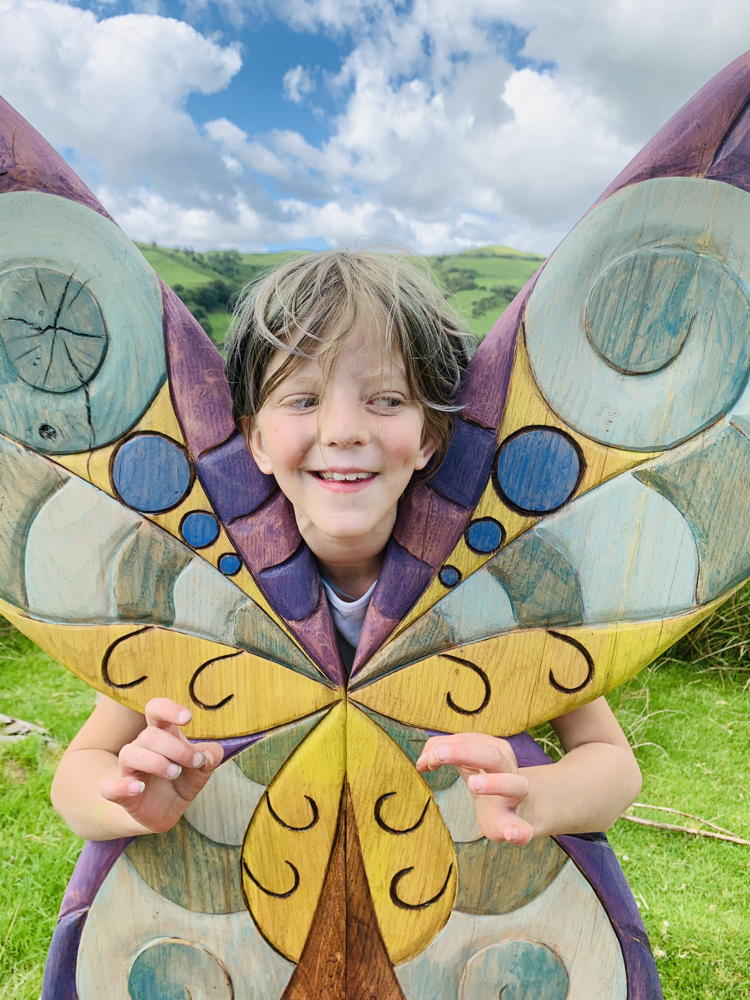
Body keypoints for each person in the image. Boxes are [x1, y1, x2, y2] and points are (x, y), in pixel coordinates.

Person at [51, 248, 641, 847]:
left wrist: (534, 797)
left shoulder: (503, 578)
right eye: (303, 400)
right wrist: (133, 801)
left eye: (385, 400)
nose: (342, 431)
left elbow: (611, 763)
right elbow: (78, 774)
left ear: (428, 438)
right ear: (254, 439)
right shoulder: (194, 583)